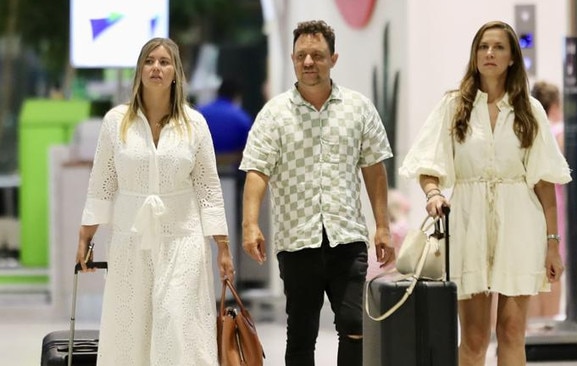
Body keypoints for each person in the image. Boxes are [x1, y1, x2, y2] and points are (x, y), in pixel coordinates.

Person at [399, 21, 571, 365]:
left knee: (511, 331)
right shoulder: (454, 106)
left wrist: (553, 245)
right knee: (475, 336)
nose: (489, 53)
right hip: (468, 223)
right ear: (475, 55)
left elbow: (544, 184)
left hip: (520, 224)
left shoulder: (530, 111)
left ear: (512, 59)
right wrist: (433, 193)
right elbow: (428, 165)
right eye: (483, 46)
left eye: (498, 47)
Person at [239, 20, 395, 366]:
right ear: (293, 59)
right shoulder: (274, 114)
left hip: (347, 237)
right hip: (297, 240)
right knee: (301, 333)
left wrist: (382, 225)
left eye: (317, 55)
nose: (309, 62)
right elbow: (257, 172)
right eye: (301, 56)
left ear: (333, 59)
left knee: (355, 324)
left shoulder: (358, 108)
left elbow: (374, 169)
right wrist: (251, 225)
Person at [75, 37, 234, 365]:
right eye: (149, 61)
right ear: (139, 70)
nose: (156, 68)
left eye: (164, 62)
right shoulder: (115, 122)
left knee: (176, 321)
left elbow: (208, 187)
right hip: (130, 240)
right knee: (131, 328)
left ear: (176, 72)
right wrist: (85, 237)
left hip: (183, 239)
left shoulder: (195, 124)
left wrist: (223, 246)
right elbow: (102, 184)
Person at [528, 80, 566, 320]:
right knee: (553, 270)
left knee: (531, 272)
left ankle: (530, 327)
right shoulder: (560, 132)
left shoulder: (530, 132)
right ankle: (550, 322)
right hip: (555, 209)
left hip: (530, 209)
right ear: (554, 106)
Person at [198, 78, 253, 168]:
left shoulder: (200, 113)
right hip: (234, 173)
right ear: (237, 95)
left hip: (202, 168)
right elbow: (248, 150)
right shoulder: (243, 118)